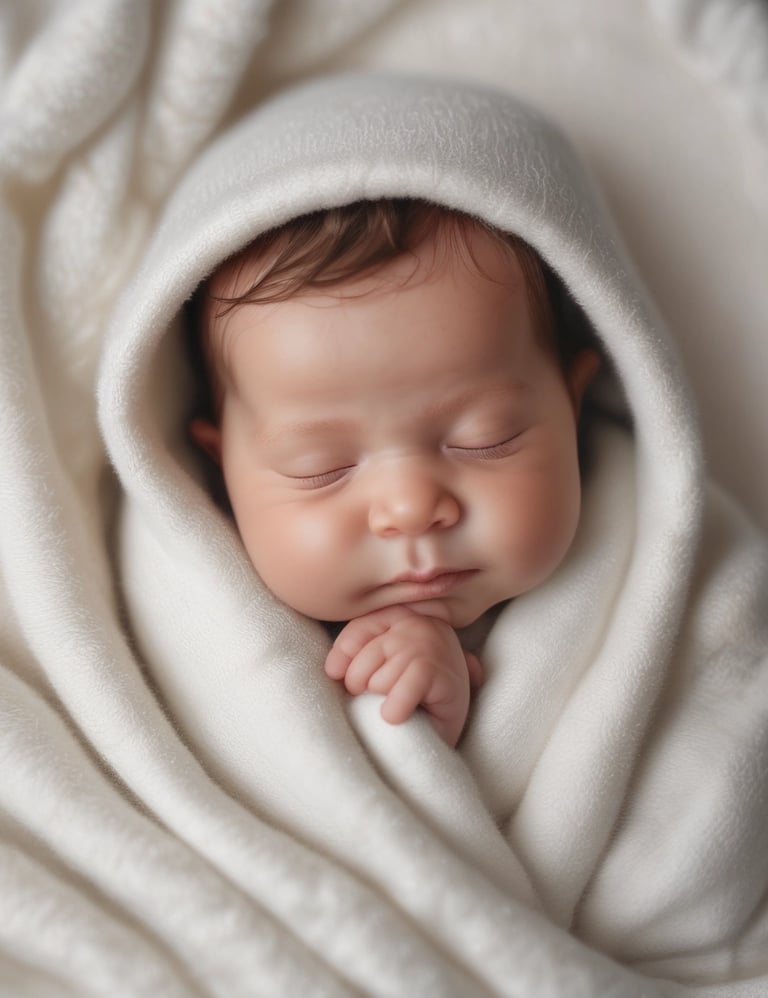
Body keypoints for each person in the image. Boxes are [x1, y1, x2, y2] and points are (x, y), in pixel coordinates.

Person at [187, 197, 599, 746]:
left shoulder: (645, 564)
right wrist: (401, 725)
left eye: (486, 439)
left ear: (571, 407)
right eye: (322, 468)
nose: (410, 508)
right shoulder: (206, 638)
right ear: (224, 471)